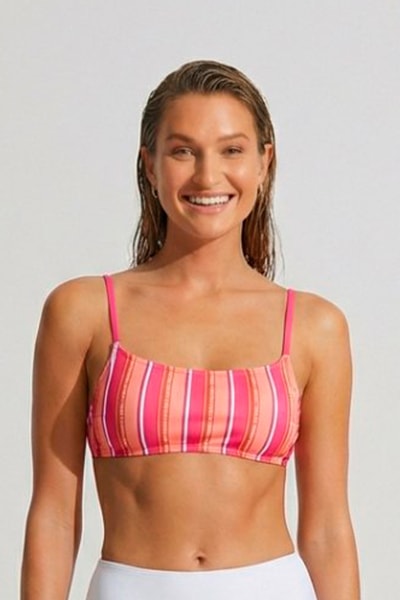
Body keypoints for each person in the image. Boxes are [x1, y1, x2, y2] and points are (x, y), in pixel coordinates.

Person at [21, 60, 360, 599]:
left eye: (232, 150)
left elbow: (327, 529)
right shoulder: (83, 312)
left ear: (264, 162)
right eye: (183, 151)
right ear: (149, 165)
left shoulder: (315, 327)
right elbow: (54, 516)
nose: (207, 176)